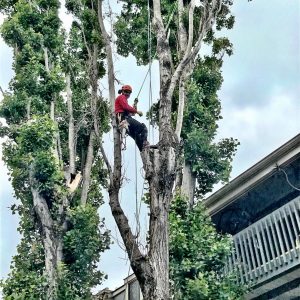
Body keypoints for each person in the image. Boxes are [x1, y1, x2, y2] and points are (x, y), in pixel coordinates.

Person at [115, 84, 150, 151]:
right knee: (143, 128)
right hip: (124, 119)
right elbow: (126, 107)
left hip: (124, 121)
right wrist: (137, 111)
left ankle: (142, 150)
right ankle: (145, 143)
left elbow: (131, 113)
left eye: (129, 92)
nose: (127, 93)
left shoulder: (123, 100)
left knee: (137, 136)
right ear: (123, 91)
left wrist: (135, 104)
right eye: (126, 91)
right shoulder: (121, 97)